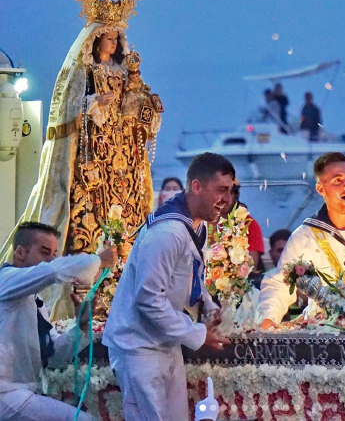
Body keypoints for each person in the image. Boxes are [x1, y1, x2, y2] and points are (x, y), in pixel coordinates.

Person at [0, 0, 162, 319]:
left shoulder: (127, 72)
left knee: (129, 220)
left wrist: (144, 107)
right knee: (90, 220)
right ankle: (86, 295)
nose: (112, 43)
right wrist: (92, 107)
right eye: (106, 37)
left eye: (116, 37)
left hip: (123, 159)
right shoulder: (83, 72)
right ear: (95, 39)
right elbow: (69, 111)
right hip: (93, 159)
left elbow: (140, 111)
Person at [103, 153, 234, 421]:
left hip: (166, 342)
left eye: (230, 191)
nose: (227, 199)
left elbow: (190, 273)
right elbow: (148, 299)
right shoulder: (168, 232)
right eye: (221, 190)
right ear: (196, 186)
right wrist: (197, 334)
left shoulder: (196, 225)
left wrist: (209, 306)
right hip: (139, 347)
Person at [258, 152, 345, 329]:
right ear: (321, 189)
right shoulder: (304, 237)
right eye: (337, 180)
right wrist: (267, 318)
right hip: (325, 329)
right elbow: (280, 284)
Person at [0, 222, 117, 421]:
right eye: (44, 252)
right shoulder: (5, 279)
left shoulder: (35, 301)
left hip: (21, 393)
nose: (51, 260)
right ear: (20, 252)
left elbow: (54, 356)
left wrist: (81, 325)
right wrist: (98, 260)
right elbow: (52, 272)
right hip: (6, 393)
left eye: (54, 254)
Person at [207, 179, 265, 280]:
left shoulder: (249, 224)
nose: (223, 199)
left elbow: (251, 267)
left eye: (228, 193)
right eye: (219, 193)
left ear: (235, 196)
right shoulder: (201, 220)